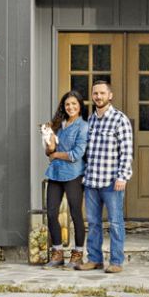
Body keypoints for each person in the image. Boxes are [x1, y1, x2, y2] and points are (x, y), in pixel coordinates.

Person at [74, 76, 133, 273]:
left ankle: (116, 262)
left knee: (115, 223)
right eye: (95, 93)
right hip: (91, 181)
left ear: (110, 95)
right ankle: (94, 259)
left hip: (111, 182)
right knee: (93, 223)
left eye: (102, 93)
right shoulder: (90, 120)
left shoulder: (120, 119)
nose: (98, 96)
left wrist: (122, 176)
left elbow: (126, 151)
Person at [43, 90, 88, 268]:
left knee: (75, 214)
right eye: (67, 104)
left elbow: (76, 154)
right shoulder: (58, 125)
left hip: (74, 175)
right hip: (55, 174)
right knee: (52, 213)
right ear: (64, 106)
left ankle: (77, 254)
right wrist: (48, 141)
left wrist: (56, 154)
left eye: (74, 104)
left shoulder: (83, 126)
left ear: (79, 106)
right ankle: (57, 253)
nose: (70, 107)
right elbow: (48, 152)